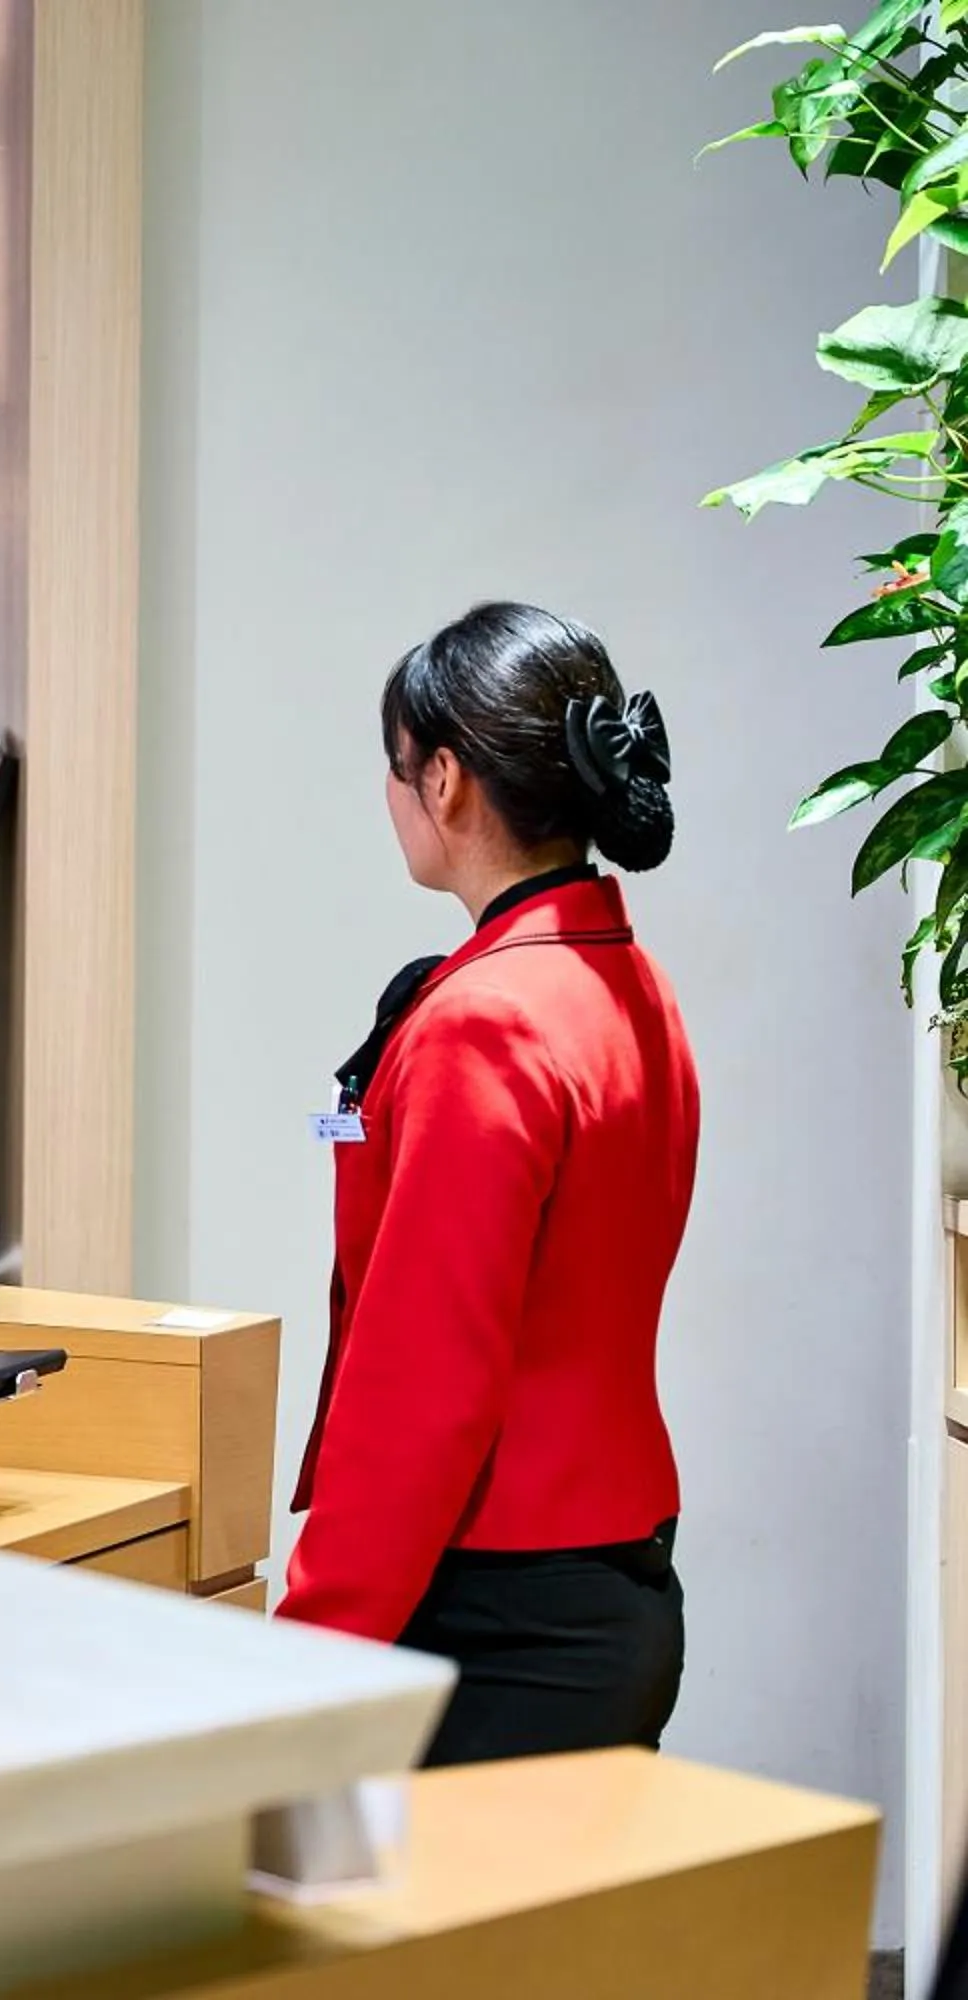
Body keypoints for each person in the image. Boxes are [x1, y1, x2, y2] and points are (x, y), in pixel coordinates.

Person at [279, 601, 698, 1768]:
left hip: (495, 1607)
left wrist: (315, 1641)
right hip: (612, 1578)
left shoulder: (485, 1021)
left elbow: (425, 1383)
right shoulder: (624, 980)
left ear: (448, 780)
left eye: (397, 768)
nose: (391, 792)